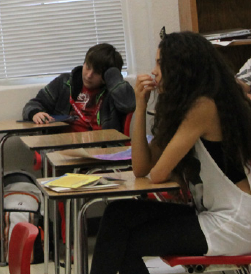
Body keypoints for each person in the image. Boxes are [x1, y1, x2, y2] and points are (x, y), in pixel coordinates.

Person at [90, 31, 251, 274]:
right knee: (117, 213)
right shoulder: (186, 107)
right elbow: (141, 168)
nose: (154, 71)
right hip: (212, 213)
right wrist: (140, 106)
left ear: (181, 68)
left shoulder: (203, 106)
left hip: (235, 222)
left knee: (129, 241)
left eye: (160, 63)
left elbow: (157, 174)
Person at [22, 43, 135, 132]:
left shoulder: (114, 91)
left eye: (97, 72)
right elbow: (33, 104)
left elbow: (128, 105)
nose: (89, 75)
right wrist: (35, 113)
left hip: (102, 148)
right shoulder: (65, 82)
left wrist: (113, 74)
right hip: (64, 145)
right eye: (87, 67)